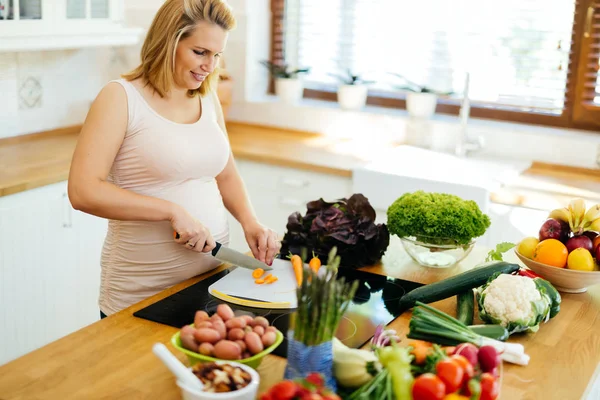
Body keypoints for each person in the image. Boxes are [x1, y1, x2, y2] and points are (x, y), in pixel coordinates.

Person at [67, 0, 280, 318]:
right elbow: (83, 191)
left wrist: (250, 221)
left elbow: (226, 173)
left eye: (217, 55)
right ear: (169, 41)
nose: (210, 66)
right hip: (141, 293)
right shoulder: (120, 98)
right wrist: (170, 211)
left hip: (210, 283)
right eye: (200, 52)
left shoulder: (207, 97)